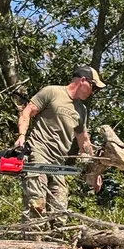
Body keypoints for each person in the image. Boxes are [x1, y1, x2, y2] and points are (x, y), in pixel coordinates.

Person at [15, 65, 105, 221]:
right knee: (36, 204)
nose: (93, 91)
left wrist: (95, 171)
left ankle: (56, 244)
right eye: (93, 86)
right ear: (83, 80)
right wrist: (21, 136)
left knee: (60, 211)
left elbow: (84, 142)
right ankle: (30, 243)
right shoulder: (52, 92)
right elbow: (27, 111)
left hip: (58, 162)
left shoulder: (81, 110)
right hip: (39, 153)